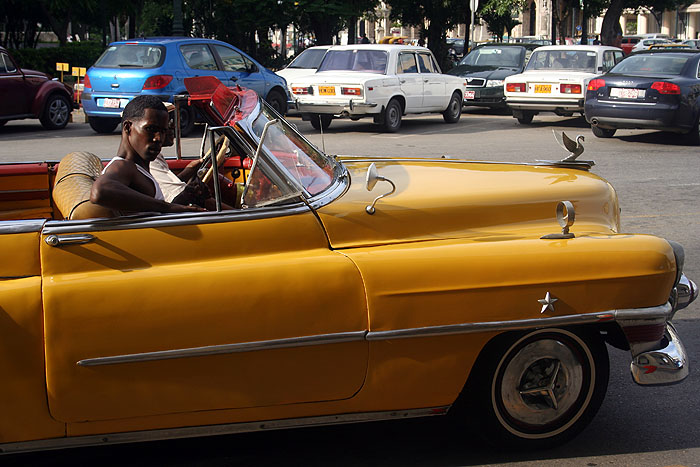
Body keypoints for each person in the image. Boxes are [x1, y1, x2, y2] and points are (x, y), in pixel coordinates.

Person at [90, 95, 205, 214]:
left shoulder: (138, 167)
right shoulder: (124, 166)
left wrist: (187, 196)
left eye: (163, 131)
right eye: (150, 129)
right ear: (128, 127)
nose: (158, 138)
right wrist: (167, 207)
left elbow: (151, 209)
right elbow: (99, 192)